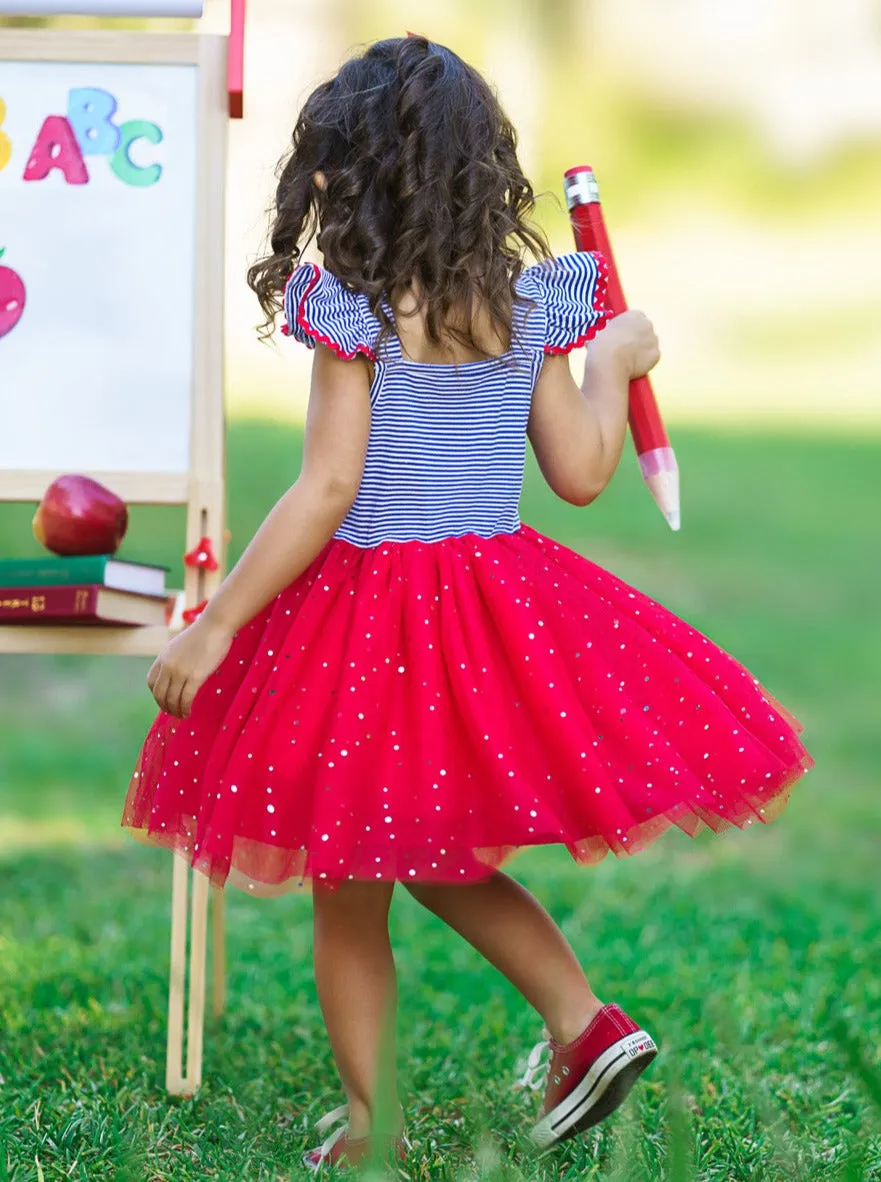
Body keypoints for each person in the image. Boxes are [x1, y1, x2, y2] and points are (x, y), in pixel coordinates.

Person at [123, 35, 812, 1170]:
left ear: (346, 173)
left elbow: (329, 487)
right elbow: (583, 473)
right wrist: (611, 366)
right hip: (491, 609)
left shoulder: (348, 302)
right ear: (475, 170)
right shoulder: (529, 298)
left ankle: (373, 1129)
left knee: (350, 888)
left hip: (367, 617)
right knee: (431, 851)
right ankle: (582, 1025)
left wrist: (220, 619)